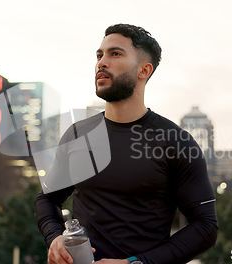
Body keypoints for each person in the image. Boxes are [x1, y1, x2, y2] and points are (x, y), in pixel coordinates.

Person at [35, 24, 218, 264]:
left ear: (144, 70)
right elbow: (47, 198)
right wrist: (55, 237)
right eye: (99, 55)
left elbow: (205, 227)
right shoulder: (78, 134)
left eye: (115, 54)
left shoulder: (176, 141)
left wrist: (136, 263)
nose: (102, 62)